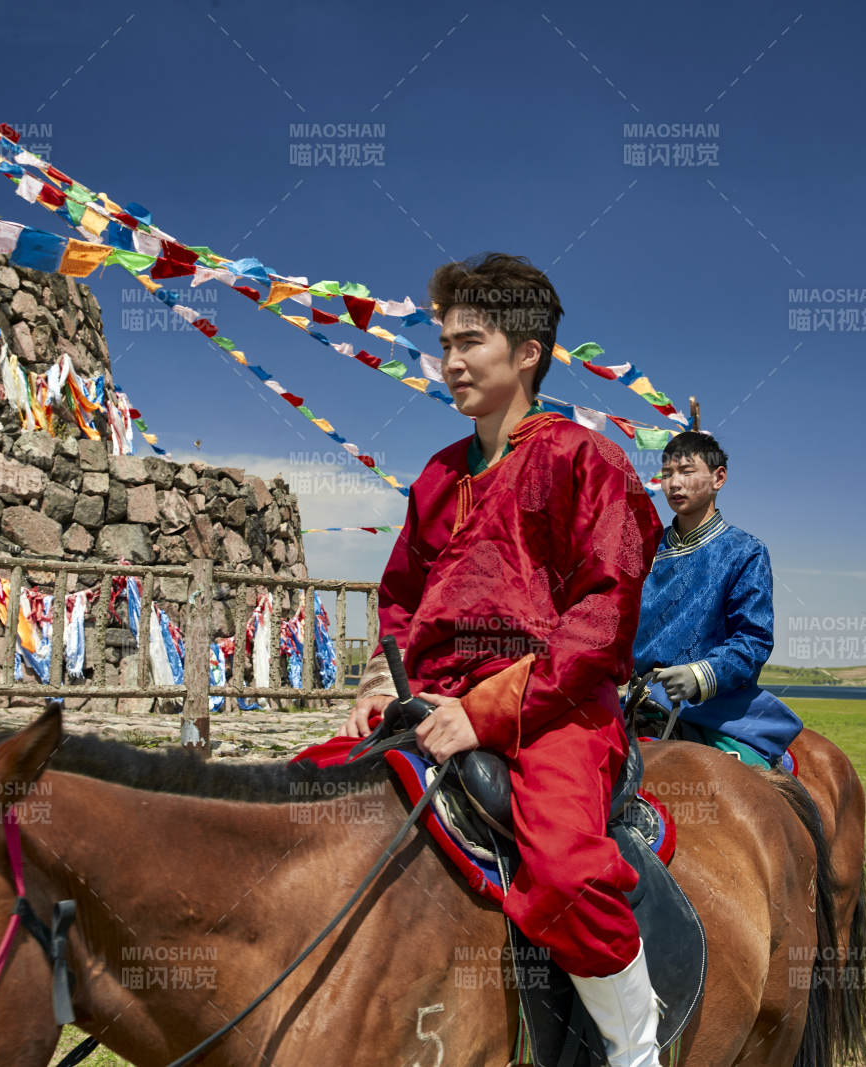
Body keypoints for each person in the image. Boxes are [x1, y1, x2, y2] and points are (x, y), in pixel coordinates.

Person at [297, 253, 664, 1065]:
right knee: (300, 799)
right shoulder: (435, 476)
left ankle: (637, 1045)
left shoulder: (585, 460)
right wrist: (374, 682)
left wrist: (487, 709)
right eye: (444, 343)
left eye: (471, 341)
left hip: (554, 708)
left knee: (564, 872)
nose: (450, 361)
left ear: (528, 351)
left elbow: (602, 619)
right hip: (428, 700)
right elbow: (399, 596)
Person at [632, 431, 802, 767]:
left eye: (686, 471)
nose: (674, 484)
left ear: (718, 478)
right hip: (638, 702)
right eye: (666, 474)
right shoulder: (644, 550)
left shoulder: (744, 551)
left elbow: (753, 640)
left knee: (754, 794)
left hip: (713, 706)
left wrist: (699, 675)